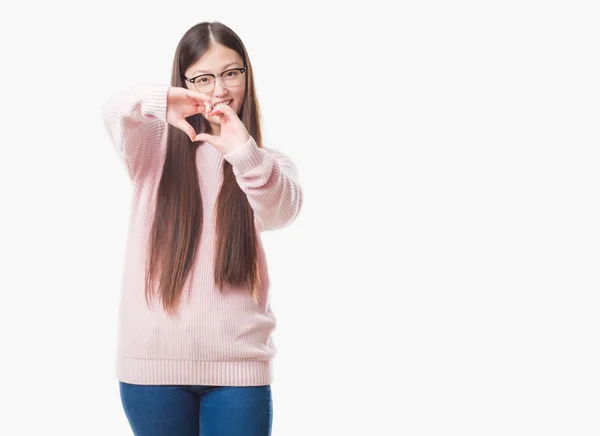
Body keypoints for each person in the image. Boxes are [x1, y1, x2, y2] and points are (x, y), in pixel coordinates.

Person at [100, 21, 303, 436]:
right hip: (151, 369)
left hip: (238, 370)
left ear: (247, 74)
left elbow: (281, 212)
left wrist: (243, 153)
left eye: (231, 73)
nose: (219, 90)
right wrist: (162, 100)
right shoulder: (150, 151)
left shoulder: (266, 164)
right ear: (186, 80)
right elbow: (116, 110)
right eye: (204, 78)